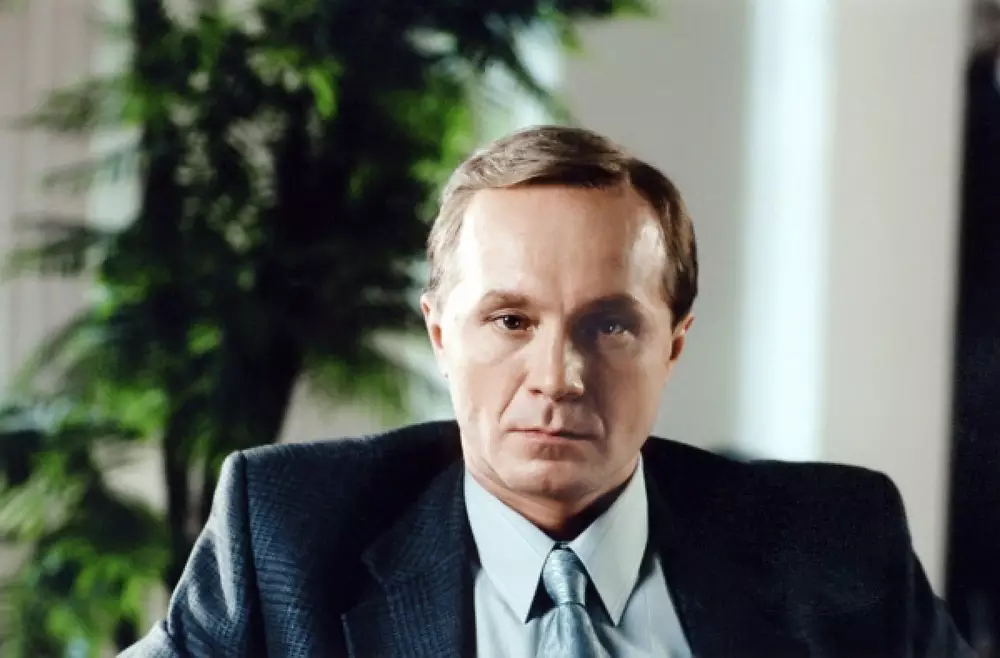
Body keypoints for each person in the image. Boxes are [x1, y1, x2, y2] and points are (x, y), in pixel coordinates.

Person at [121, 126, 974, 658]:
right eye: (511, 321)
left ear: (673, 344)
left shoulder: (835, 542)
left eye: (610, 325)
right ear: (441, 335)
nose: (559, 378)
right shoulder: (287, 533)